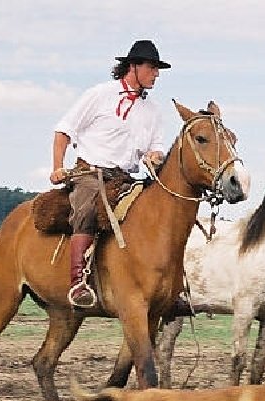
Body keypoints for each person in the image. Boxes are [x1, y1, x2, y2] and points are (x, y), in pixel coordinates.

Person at [50, 40, 170, 308]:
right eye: (152, 67)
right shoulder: (99, 94)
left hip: (126, 178)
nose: (156, 73)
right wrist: (57, 167)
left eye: (157, 68)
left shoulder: (153, 111)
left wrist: (155, 155)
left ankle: (167, 283)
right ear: (133, 66)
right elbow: (63, 131)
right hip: (90, 174)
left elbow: (157, 147)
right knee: (88, 210)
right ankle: (78, 283)